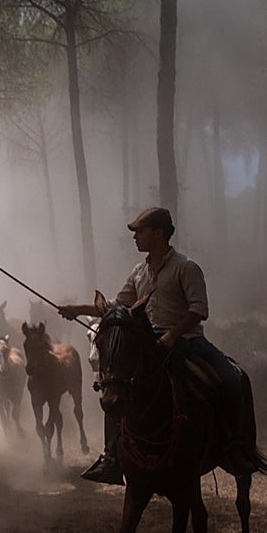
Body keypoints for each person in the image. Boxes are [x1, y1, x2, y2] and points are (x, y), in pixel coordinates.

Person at [57, 206, 251, 484]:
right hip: (148, 344)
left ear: (158, 233)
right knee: (116, 387)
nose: (135, 237)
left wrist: (172, 335)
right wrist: (77, 309)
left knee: (232, 379)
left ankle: (233, 447)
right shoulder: (139, 272)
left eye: (140, 231)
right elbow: (116, 305)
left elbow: (199, 309)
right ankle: (111, 458)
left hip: (188, 341)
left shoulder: (186, 268)